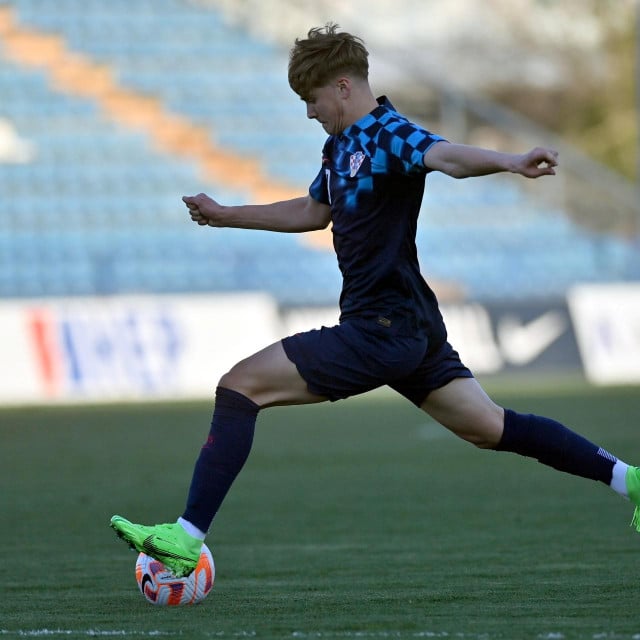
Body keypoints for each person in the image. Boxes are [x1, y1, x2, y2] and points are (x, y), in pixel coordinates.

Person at [110, 23, 640, 578]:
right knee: (491, 427)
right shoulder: (340, 146)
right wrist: (226, 215)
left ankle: (186, 536)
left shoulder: (390, 134)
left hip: (381, 328)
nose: (309, 113)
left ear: (342, 86)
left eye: (311, 100)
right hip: (411, 323)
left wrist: (509, 161)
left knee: (239, 386)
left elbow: (447, 157)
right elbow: (313, 212)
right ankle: (631, 480)